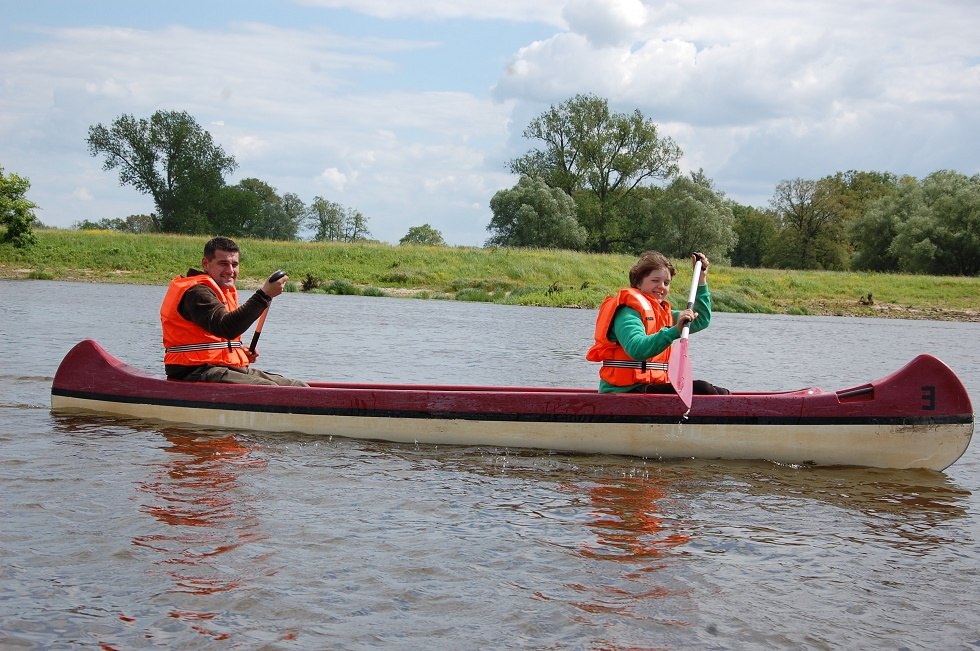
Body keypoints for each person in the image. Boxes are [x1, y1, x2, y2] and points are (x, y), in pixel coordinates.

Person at [160, 236, 308, 386]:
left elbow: (218, 337)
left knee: (298, 386)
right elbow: (226, 327)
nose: (230, 270)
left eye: (234, 264)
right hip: (192, 371)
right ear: (206, 263)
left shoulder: (219, 290)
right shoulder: (196, 293)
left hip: (218, 367)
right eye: (223, 264)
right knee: (271, 389)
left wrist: (236, 350)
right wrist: (264, 295)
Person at [586, 251, 729, 395]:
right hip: (624, 391)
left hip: (651, 388)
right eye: (655, 281)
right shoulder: (627, 313)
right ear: (638, 282)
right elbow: (637, 349)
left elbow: (702, 319)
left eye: (666, 283)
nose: (662, 286)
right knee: (703, 389)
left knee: (720, 393)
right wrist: (675, 331)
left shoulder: (663, 315)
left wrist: (701, 278)